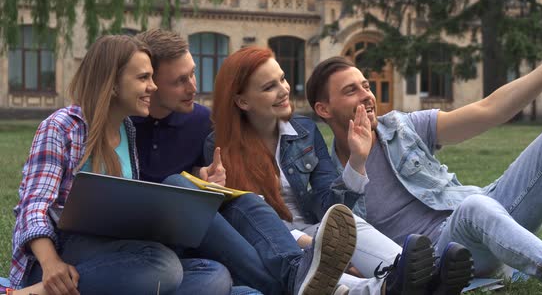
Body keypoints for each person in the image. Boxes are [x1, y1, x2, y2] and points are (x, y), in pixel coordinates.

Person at [305, 20, 542, 294]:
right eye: (350, 91)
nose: (367, 95)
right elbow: (336, 241)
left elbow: (489, 110)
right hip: (446, 257)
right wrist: (358, 160)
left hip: (489, 213)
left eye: (366, 85)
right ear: (324, 109)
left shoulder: (402, 126)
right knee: (474, 208)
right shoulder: (331, 181)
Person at [204, 45, 474, 295]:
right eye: (269, 87)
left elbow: (327, 205)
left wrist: (357, 160)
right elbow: (248, 224)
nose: (284, 90)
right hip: (274, 246)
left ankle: (420, 277)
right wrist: (316, 248)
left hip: (318, 232)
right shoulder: (219, 146)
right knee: (322, 259)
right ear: (242, 102)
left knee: (346, 223)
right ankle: (398, 285)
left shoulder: (304, 132)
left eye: (283, 79)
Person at [132, 29, 362, 295]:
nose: (193, 87)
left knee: (243, 200)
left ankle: (303, 275)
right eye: (180, 81)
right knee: (177, 185)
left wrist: (208, 184)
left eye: (193, 73)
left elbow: (212, 191)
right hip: (147, 235)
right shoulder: (125, 122)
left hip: (195, 233)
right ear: (151, 82)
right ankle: (300, 282)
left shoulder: (200, 123)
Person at [9, 35, 233, 295]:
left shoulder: (127, 130)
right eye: (143, 78)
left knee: (214, 274)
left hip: (112, 253)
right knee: (164, 267)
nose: (153, 87)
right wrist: (52, 265)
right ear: (113, 84)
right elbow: (33, 207)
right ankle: (38, 292)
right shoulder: (62, 126)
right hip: (58, 257)